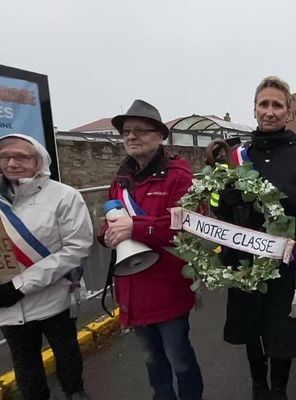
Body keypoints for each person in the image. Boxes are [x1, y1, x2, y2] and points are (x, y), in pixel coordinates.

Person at [216, 76, 296, 400]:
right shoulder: (236, 157)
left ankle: (278, 388)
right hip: (245, 261)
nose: (269, 111)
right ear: (254, 110)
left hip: (287, 263)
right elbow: (218, 206)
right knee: (251, 330)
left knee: (282, 335)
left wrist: (281, 197)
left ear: (288, 112)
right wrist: (226, 200)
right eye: (263, 104)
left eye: (277, 105)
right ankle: (258, 385)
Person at [100, 100, 203, 400]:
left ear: (160, 136)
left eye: (140, 131)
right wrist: (106, 234)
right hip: (132, 285)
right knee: (151, 360)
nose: (131, 137)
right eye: (126, 131)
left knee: (178, 357)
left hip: (167, 283)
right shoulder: (120, 179)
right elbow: (110, 219)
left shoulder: (179, 176)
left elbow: (184, 225)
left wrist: (135, 227)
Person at [0, 134, 93, 400]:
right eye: (5, 157)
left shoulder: (64, 196)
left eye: (22, 156)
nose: (12, 163)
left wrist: (19, 286)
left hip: (56, 297)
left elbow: (76, 248)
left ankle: (75, 392)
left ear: (40, 159)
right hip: (9, 306)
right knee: (25, 367)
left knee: (67, 358)